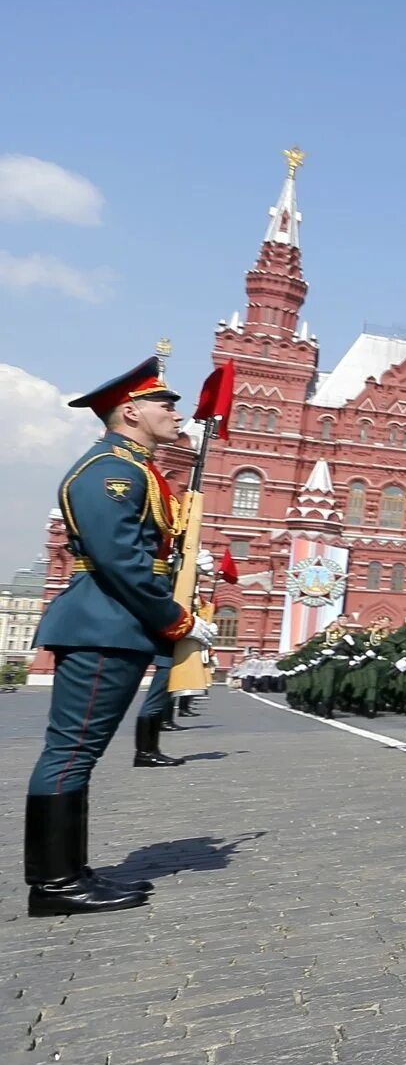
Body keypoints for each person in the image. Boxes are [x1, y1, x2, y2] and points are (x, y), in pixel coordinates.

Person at [26, 357, 217, 917]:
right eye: (165, 403)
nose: (175, 412)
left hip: (111, 623)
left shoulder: (134, 467)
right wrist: (174, 617)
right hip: (103, 624)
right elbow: (120, 559)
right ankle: (55, 884)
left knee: (75, 752)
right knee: (71, 752)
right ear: (130, 412)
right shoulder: (113, 469)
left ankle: (66, 871)